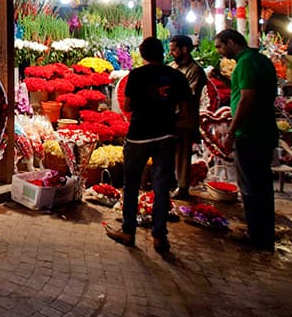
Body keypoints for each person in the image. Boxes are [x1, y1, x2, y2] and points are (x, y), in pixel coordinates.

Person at [105, 37, 190, 255]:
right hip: (165, 136)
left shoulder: (137, 75)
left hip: (139, 136)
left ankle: (128, 231)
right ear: (162, 53)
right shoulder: (176, 76)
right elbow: (185, 110)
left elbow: (128, 105)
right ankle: (160, 237)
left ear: (142, 55)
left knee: (132, 184)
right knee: (161, 187)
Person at [214, 28, 279, 251]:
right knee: (262, 185)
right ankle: (264, 233)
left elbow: (246, 100)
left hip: (250, 133)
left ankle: (257, 235)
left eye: (220, 47)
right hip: (265, 130)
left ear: (231, 43)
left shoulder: (246, 64)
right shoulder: (262, 60)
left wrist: (231, 132)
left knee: (251, 186)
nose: (220, 53)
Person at [169, 35, 208, 200]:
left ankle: (183, 187)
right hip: (169, 117)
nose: (171, 53)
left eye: (173, 49)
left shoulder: (195, 70)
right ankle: (171, 182)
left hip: (185, 118)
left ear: (184, 49)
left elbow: (189, 95)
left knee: (183, 154)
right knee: (170, 153)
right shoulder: (171, 67)